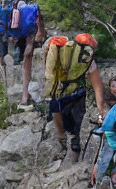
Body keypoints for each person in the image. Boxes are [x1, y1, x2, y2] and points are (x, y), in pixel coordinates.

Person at [43, 33, 107, 162]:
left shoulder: (59, 53)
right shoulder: (87, 59)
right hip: (76, 93)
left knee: (58, 113)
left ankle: (65, 140)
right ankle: (71, 142)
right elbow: (97, 85)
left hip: (58, 92)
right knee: (75, 119)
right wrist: (101, 108)